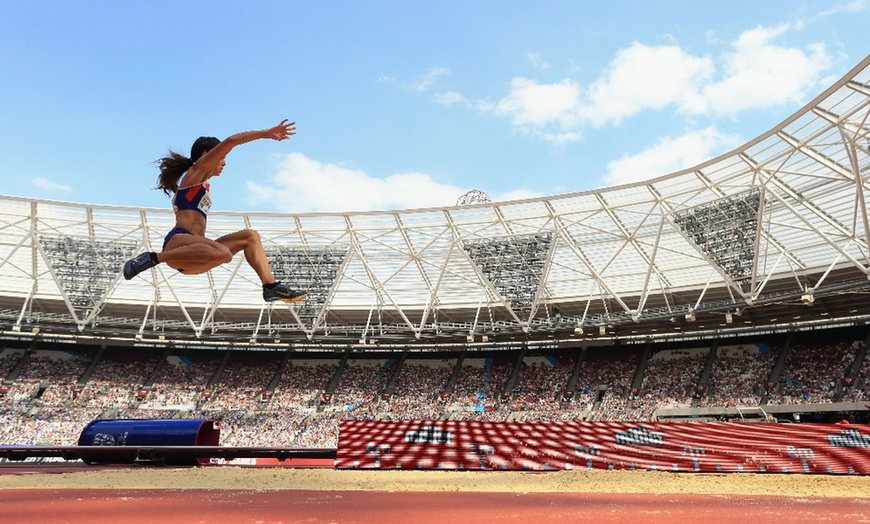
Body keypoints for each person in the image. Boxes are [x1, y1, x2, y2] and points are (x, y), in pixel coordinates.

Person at [122, 119, 307, 304]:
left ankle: (270, 286)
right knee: (224, 254)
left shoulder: (203, 183)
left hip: (196, 256)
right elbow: (232, 141)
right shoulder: (195, 174)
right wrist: (266, 133)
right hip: (178, 243)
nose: (224, 163)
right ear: (206, 155)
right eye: (222, 157)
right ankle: (152, 258)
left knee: (250, 236)